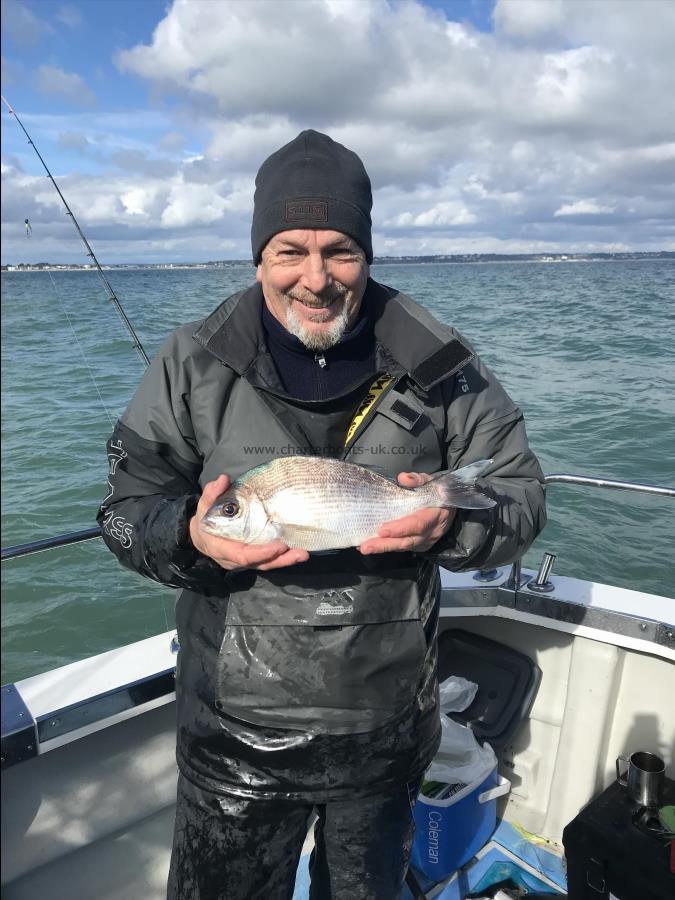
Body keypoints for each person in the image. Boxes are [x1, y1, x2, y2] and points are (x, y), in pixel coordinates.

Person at [98, 130, 546, 900]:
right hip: (231, 731)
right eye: (288, 252)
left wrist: (449, 523)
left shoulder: (439, 360)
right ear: (257, 257)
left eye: (339, 250)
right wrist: (189, 533)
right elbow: (121, 511)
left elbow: (521, 495)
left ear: (367, 253)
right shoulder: (192, 359)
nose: (316, 279)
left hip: (386, 731)